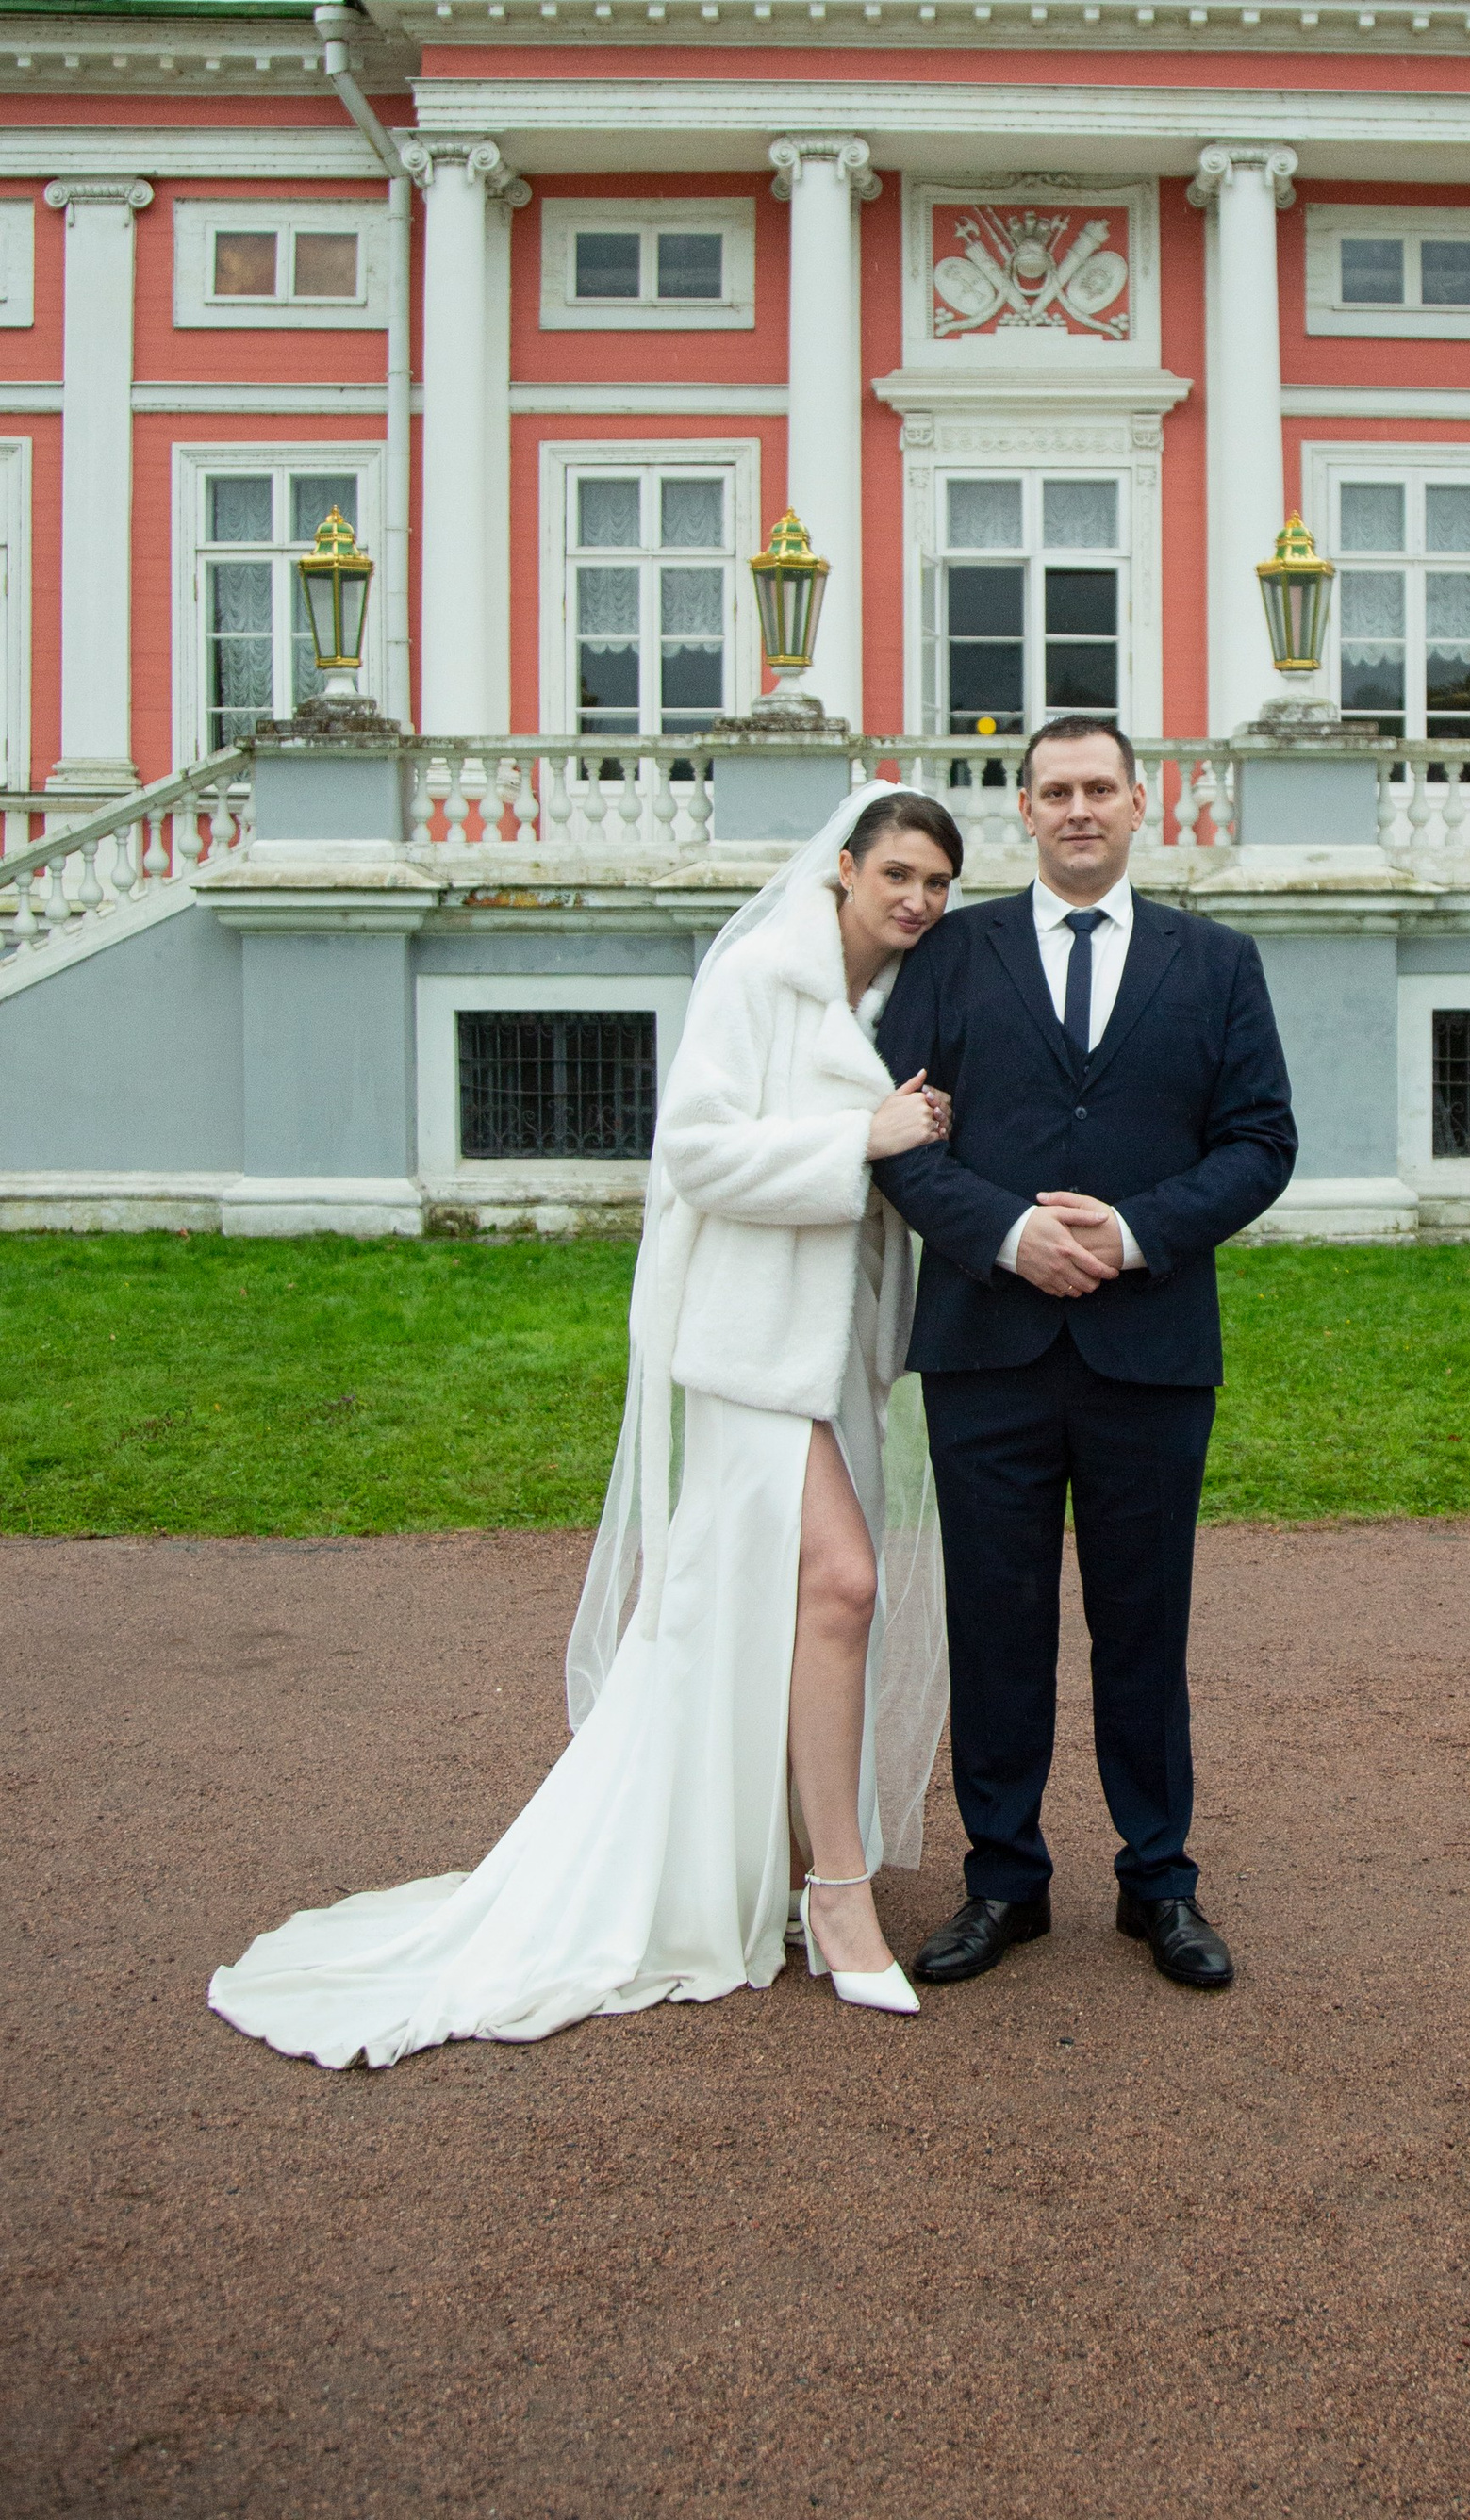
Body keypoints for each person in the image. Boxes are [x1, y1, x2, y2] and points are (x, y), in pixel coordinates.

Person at [207, 783, 963, 2066]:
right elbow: (697, 1154)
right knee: (839, 1582)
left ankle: (770, 1858)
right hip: (741, 1352)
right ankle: (836, 1893)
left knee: (770, 1610)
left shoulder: (891, 1003)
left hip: (824, 1352)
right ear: (842, 866)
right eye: (897, 872)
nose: (918, 900)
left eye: (938, 883)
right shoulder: (760, 977)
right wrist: (863, 1134)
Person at [870, 716, 1297, 1995]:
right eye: (1053, 789)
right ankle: (1004, 1877)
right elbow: (896, 1138)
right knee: (995, 1621)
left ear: (1138, 801)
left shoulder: (1215, 961)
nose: (1077, 809)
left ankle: (1157, 1878)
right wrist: (1005, 1233)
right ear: (1025, 806)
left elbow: (1261, 1141)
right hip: (988, 1344)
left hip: (1150, 1346)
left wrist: (1130, 1231)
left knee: (1142, 1623)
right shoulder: (950, 952)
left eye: (1098, 787)